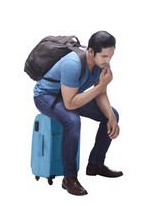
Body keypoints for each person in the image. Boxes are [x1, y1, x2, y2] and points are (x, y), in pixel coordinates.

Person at [34, 31, 123, 196]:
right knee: (72, 120)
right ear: (91, 51)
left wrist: (111, 117)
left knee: (112, 114)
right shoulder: (72, 64)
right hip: (46, 96)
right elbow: (69, 104)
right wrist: (100, 86)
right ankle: (69, 178)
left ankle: (95, 164)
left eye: (111, 56)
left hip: (70, 95)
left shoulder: (103, 64)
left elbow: (100, 94)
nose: (108, 61)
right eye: (104, 56)